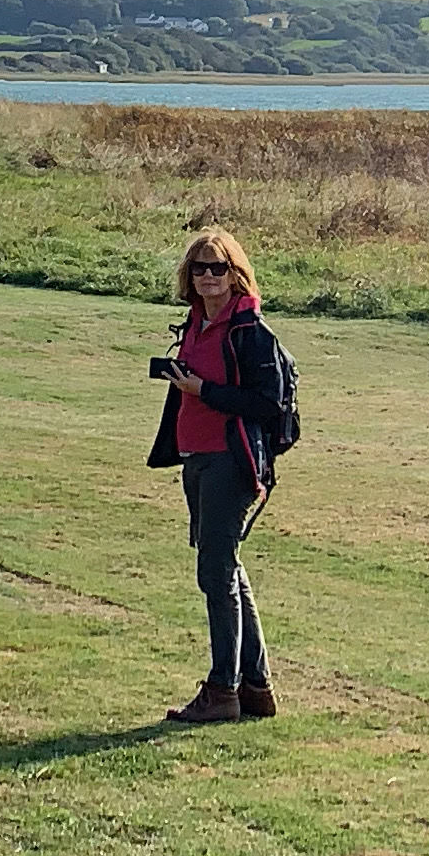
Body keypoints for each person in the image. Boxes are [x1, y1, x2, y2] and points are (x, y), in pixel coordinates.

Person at [144, 225, 301, 724]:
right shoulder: (194, 324)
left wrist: (203, 389)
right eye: (200, 268)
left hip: (231, 461)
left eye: (219, 268)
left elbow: (266, 403)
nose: (209, 277)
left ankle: (222, 689)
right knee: (226, 568)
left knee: (216, 573)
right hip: (197, 456)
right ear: (188, 277)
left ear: (236, 275)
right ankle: (255, 687)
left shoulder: (250, 332)